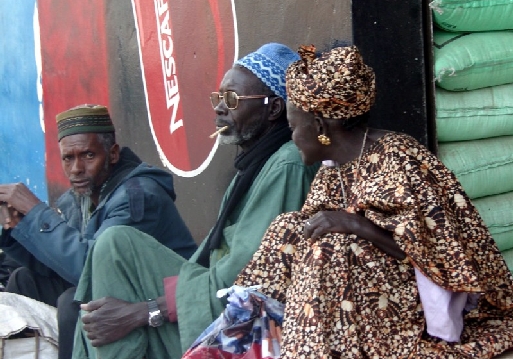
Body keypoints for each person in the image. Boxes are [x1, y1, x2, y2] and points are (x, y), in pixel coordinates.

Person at [235, 45, 513, 358]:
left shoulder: (398, 158)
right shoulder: (332, 170)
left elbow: (434, 253)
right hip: (363, 298)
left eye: (293, 127)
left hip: (411, 304)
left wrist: (354, 225)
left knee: (333, 247)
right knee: (289, 228)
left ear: (320, 127)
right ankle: (248, 332)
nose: (292, 137)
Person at [70, 43, 319, 359]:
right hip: (208, 292)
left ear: (273, 109)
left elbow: (248, 279)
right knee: (115, 244)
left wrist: (145, 311)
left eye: (232, 100)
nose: (219, 108)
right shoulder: (254, 165)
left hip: (243, 320)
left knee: (109, 269)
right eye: (218, 99)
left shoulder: (287, 166)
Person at [0, 104, 197, 359]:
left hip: (158, 301)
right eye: (68, 158)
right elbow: (56, 264)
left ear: (112, 154)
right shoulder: (77, 198)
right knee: (23, 280)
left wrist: (37, 212)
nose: (76, 169)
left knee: (74, 305)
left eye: (88, 156)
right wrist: (15, 227)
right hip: (115, 290)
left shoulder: (138, 196)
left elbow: (91, 269)